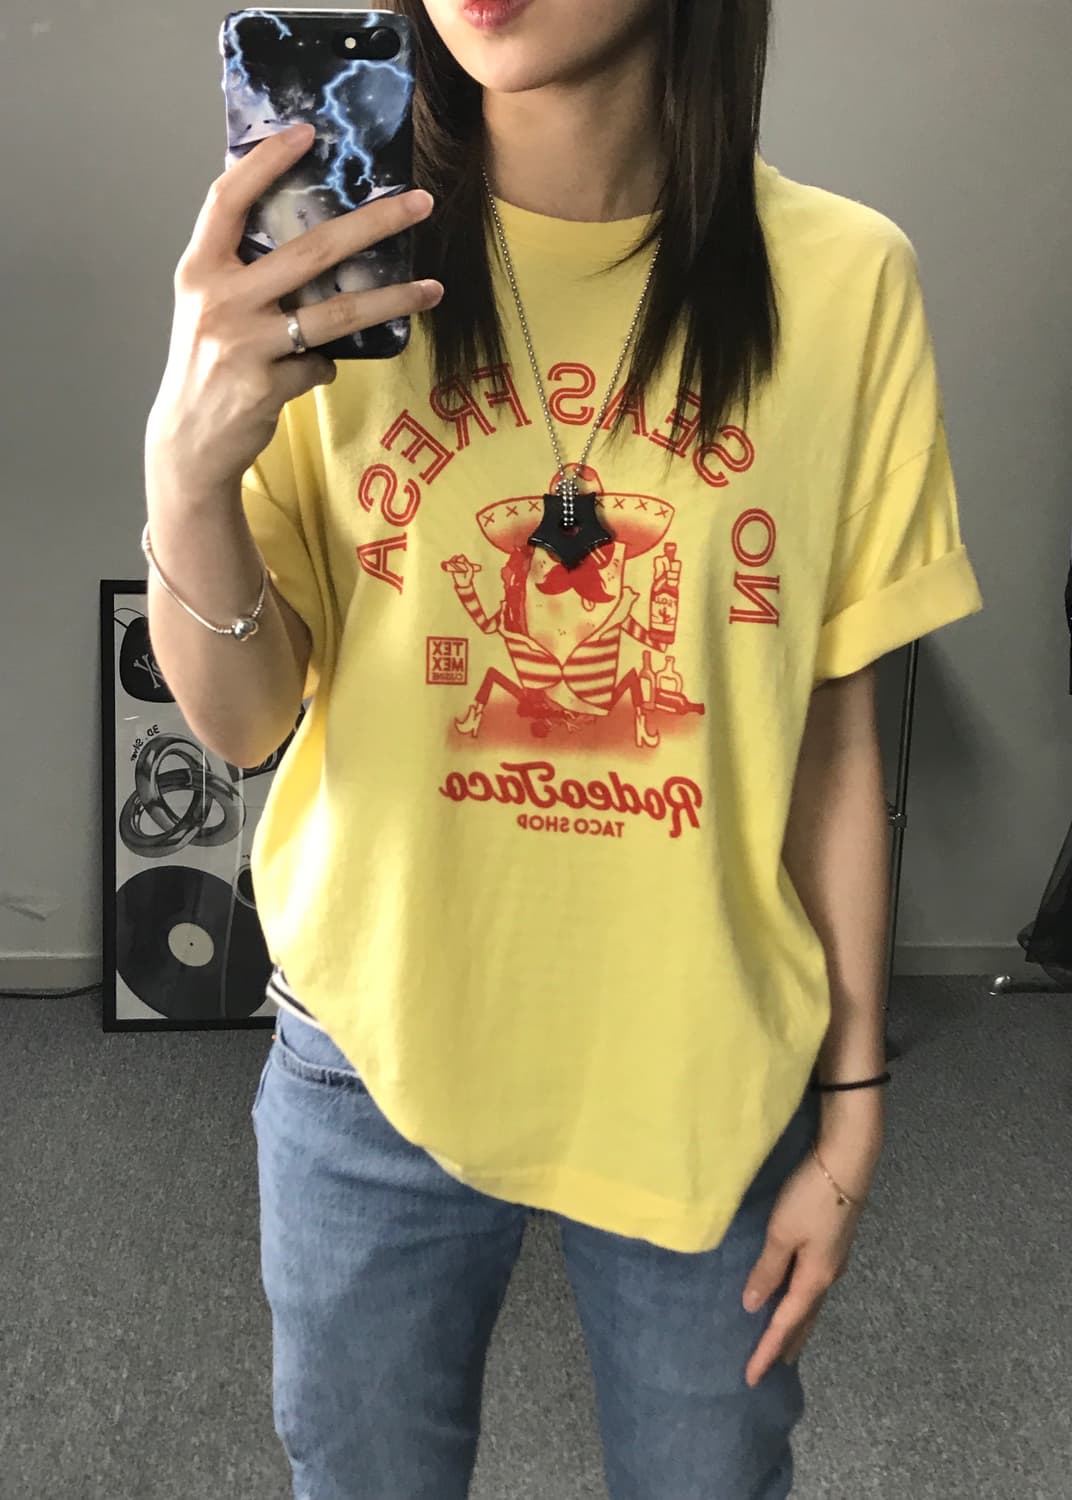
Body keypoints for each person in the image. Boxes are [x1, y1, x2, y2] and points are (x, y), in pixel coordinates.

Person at [142, 1, 984, 1495]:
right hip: (372, 1053)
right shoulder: (331, 263)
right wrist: (185, 476)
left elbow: (832, 742)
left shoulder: (845, 280)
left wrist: (851, 1113)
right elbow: (247, 720)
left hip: (704, 1061)